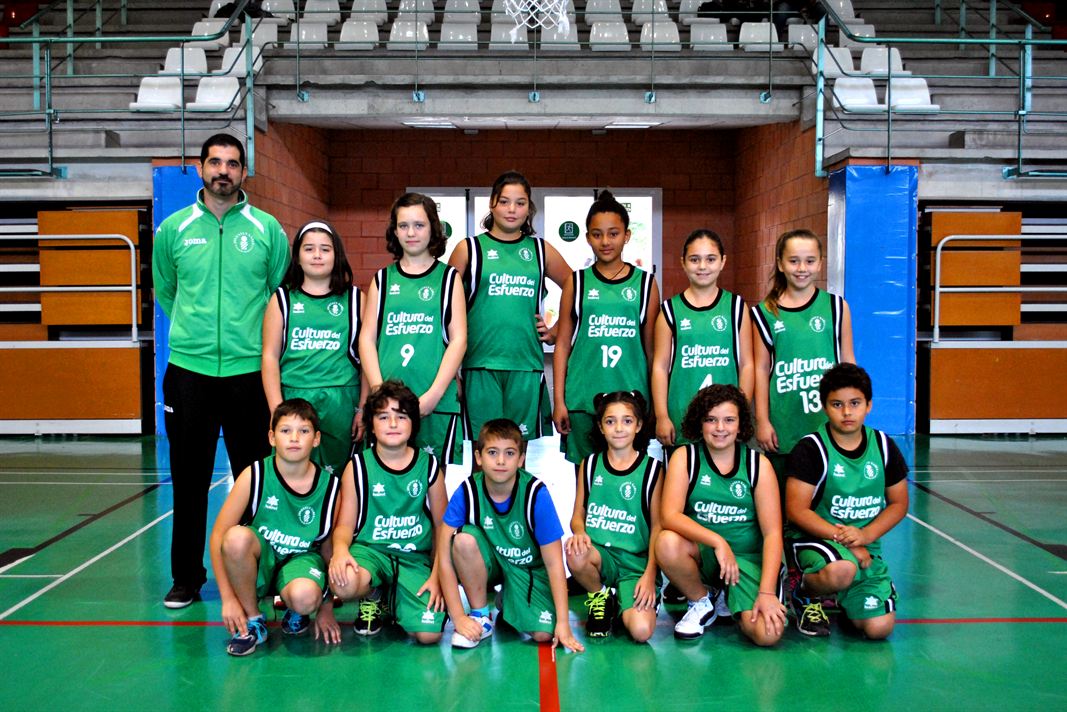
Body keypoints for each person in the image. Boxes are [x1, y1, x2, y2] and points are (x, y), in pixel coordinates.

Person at [153, 133, 290, 609]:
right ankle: (186, 578)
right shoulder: (174, 229)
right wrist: (194, 333)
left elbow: (279, 297)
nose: (223, 171)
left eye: (232, 163)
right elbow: (166, 290)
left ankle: (261, 577)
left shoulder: (267, 229)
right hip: (189, 372)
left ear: (243, 172)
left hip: (248, 374)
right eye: (215, 162)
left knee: (255, 480)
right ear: (200, 168)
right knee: (188, 479)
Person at [438, 419, 584, 653]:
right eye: (492, 452)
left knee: (543, 634)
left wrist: (564, 624)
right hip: (490, 563)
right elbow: (444, 556)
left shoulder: (536, 494)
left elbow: (555, 563)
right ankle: (480, 616)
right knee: (463, 540)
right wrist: (458, 617)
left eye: (509, 453)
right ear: (478, 457)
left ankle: (509, 599)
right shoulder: (467, 491)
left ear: (521, 459)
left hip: (527, 568)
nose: (500, 461)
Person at [208, 399, 341, 656]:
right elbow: (217, 537)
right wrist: (228, 599)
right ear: (271, 437)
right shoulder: (254, 475)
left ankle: (297, 608)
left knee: (305, 597)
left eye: (304, 431)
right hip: (260, 562)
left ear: (316, 439)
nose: (294, 438)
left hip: (301, 560)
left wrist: (326, 608)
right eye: (285, 430)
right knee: (235, 538)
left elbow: (329, 549)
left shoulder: (331, 487)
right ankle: (253, 618)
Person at [784, 363, 908, 639]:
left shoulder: (883, 446)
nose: (847, 412)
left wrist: (865, 536)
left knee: (878, 628)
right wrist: (849, 541)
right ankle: (804, 591)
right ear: (824, 407)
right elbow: (796, 511)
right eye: (837, 404)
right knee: (842, 569)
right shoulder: (811, 448)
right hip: (817, 540)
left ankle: (844, 594)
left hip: (864, 546)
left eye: (855, 403)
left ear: (869, 405)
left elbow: (899, 504)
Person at [657, 385, 787, 646]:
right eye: (711, 420)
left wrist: (766, 592)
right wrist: (718, 542)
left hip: (747, 561)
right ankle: (702, 600)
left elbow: (773, 534)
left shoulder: (758, 465)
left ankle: (733, 594)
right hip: (706, 556)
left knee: (767, 635)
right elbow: (669, 515)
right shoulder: (685, 457)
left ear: (741, 425)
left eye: (729, 420)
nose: (720, 428)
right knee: (667, 542)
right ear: (699, 422)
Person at [448, 171, 571, 445]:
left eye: (520, 203)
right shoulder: (469, 249)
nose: (512, 209)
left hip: (525, 364)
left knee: (518, 451)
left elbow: (578, 288)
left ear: (529, 208)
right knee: (484, 451)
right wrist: (451, 369)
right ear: (492, 204)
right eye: (504, 201)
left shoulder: (540, 250)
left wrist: (556, 330)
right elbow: (444, 310)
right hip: (479, 364)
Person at [323, 380, 448, 644]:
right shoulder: (357, 466)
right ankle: (373, 594)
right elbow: (344, 524)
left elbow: (442, 527)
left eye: (401, 417)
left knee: (428, 635)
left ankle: (391, 598)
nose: (392, 424)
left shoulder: (429, 467)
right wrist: (341, 551)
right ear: (371, 424)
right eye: (383, 417)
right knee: (344, 582)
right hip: (371, 553)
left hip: (413, 557)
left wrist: (438, 575)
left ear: (413, 423)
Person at [553, 190, 660, 465]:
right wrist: (559, 401)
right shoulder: (576, 282)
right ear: (587, 237)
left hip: (632, 400)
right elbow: (562, 345)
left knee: (629, 477)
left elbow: (652, 352)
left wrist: (656, 405)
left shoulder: (646, 284)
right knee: (584, 477)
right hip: (582, 400)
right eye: (597, 234)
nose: (605, 241)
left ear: (627, 235)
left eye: (613, 234)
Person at [359, 193, 467, 464]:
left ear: (433, 228)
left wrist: (434, 395)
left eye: (419, 225)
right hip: (388, 405)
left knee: (433, 478)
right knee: (384, 476)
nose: (411, 233)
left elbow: (458, 340)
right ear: (394, 231)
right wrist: (378, 390)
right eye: (403, 225)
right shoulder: (382, 280)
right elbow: (367, 339)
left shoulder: (449, 278)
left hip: (434, 401)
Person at [262, 220, 365, 477]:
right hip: (294, 396)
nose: (317, 255)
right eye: (309, 249)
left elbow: (367, 359)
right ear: (297, 257)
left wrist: (363, 408)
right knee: (292, 475)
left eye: (325, 249)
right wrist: (276, 410)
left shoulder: (356, 299)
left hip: (342, 400)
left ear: (336, 255)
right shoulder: (282, 300)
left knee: (342, 477)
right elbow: (270, 357)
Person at [750, 228, 854, 479]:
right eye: (794, 261)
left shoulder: (837, 307)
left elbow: (849, 363)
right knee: (784, 496)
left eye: (809, 261)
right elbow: (760, 370)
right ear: (780, 264)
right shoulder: (764, 314)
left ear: (820, 263)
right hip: (784, 424)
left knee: (827, 492)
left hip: (827, 420)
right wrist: (762, 421)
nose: (801, 268)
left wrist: (852, 410)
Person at [565, 391, 663, 642]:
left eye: (627, 421)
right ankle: (600, 596)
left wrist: (650, 575)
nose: (619, 428)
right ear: (601, 427)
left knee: (641, 631)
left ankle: (627, 599)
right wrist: (580, 532)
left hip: (635, 564)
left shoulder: (652, 469)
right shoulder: (590, 465)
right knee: (575, 552)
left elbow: (657, 528)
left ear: (638, 425)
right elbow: (577, 515)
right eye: (610, 421)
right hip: (601, 556)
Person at [652, 229, 753, 451]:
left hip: (725, 420)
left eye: (711, 259)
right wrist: (662, 415)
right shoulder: (670, 311)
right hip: (681, 416)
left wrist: (741, 411)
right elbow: (660, 366)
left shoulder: (736, 307)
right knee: (681, 472)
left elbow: (747, 364)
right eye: (695, 259)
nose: (703, 266)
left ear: (723, 261)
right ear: (683, 262)